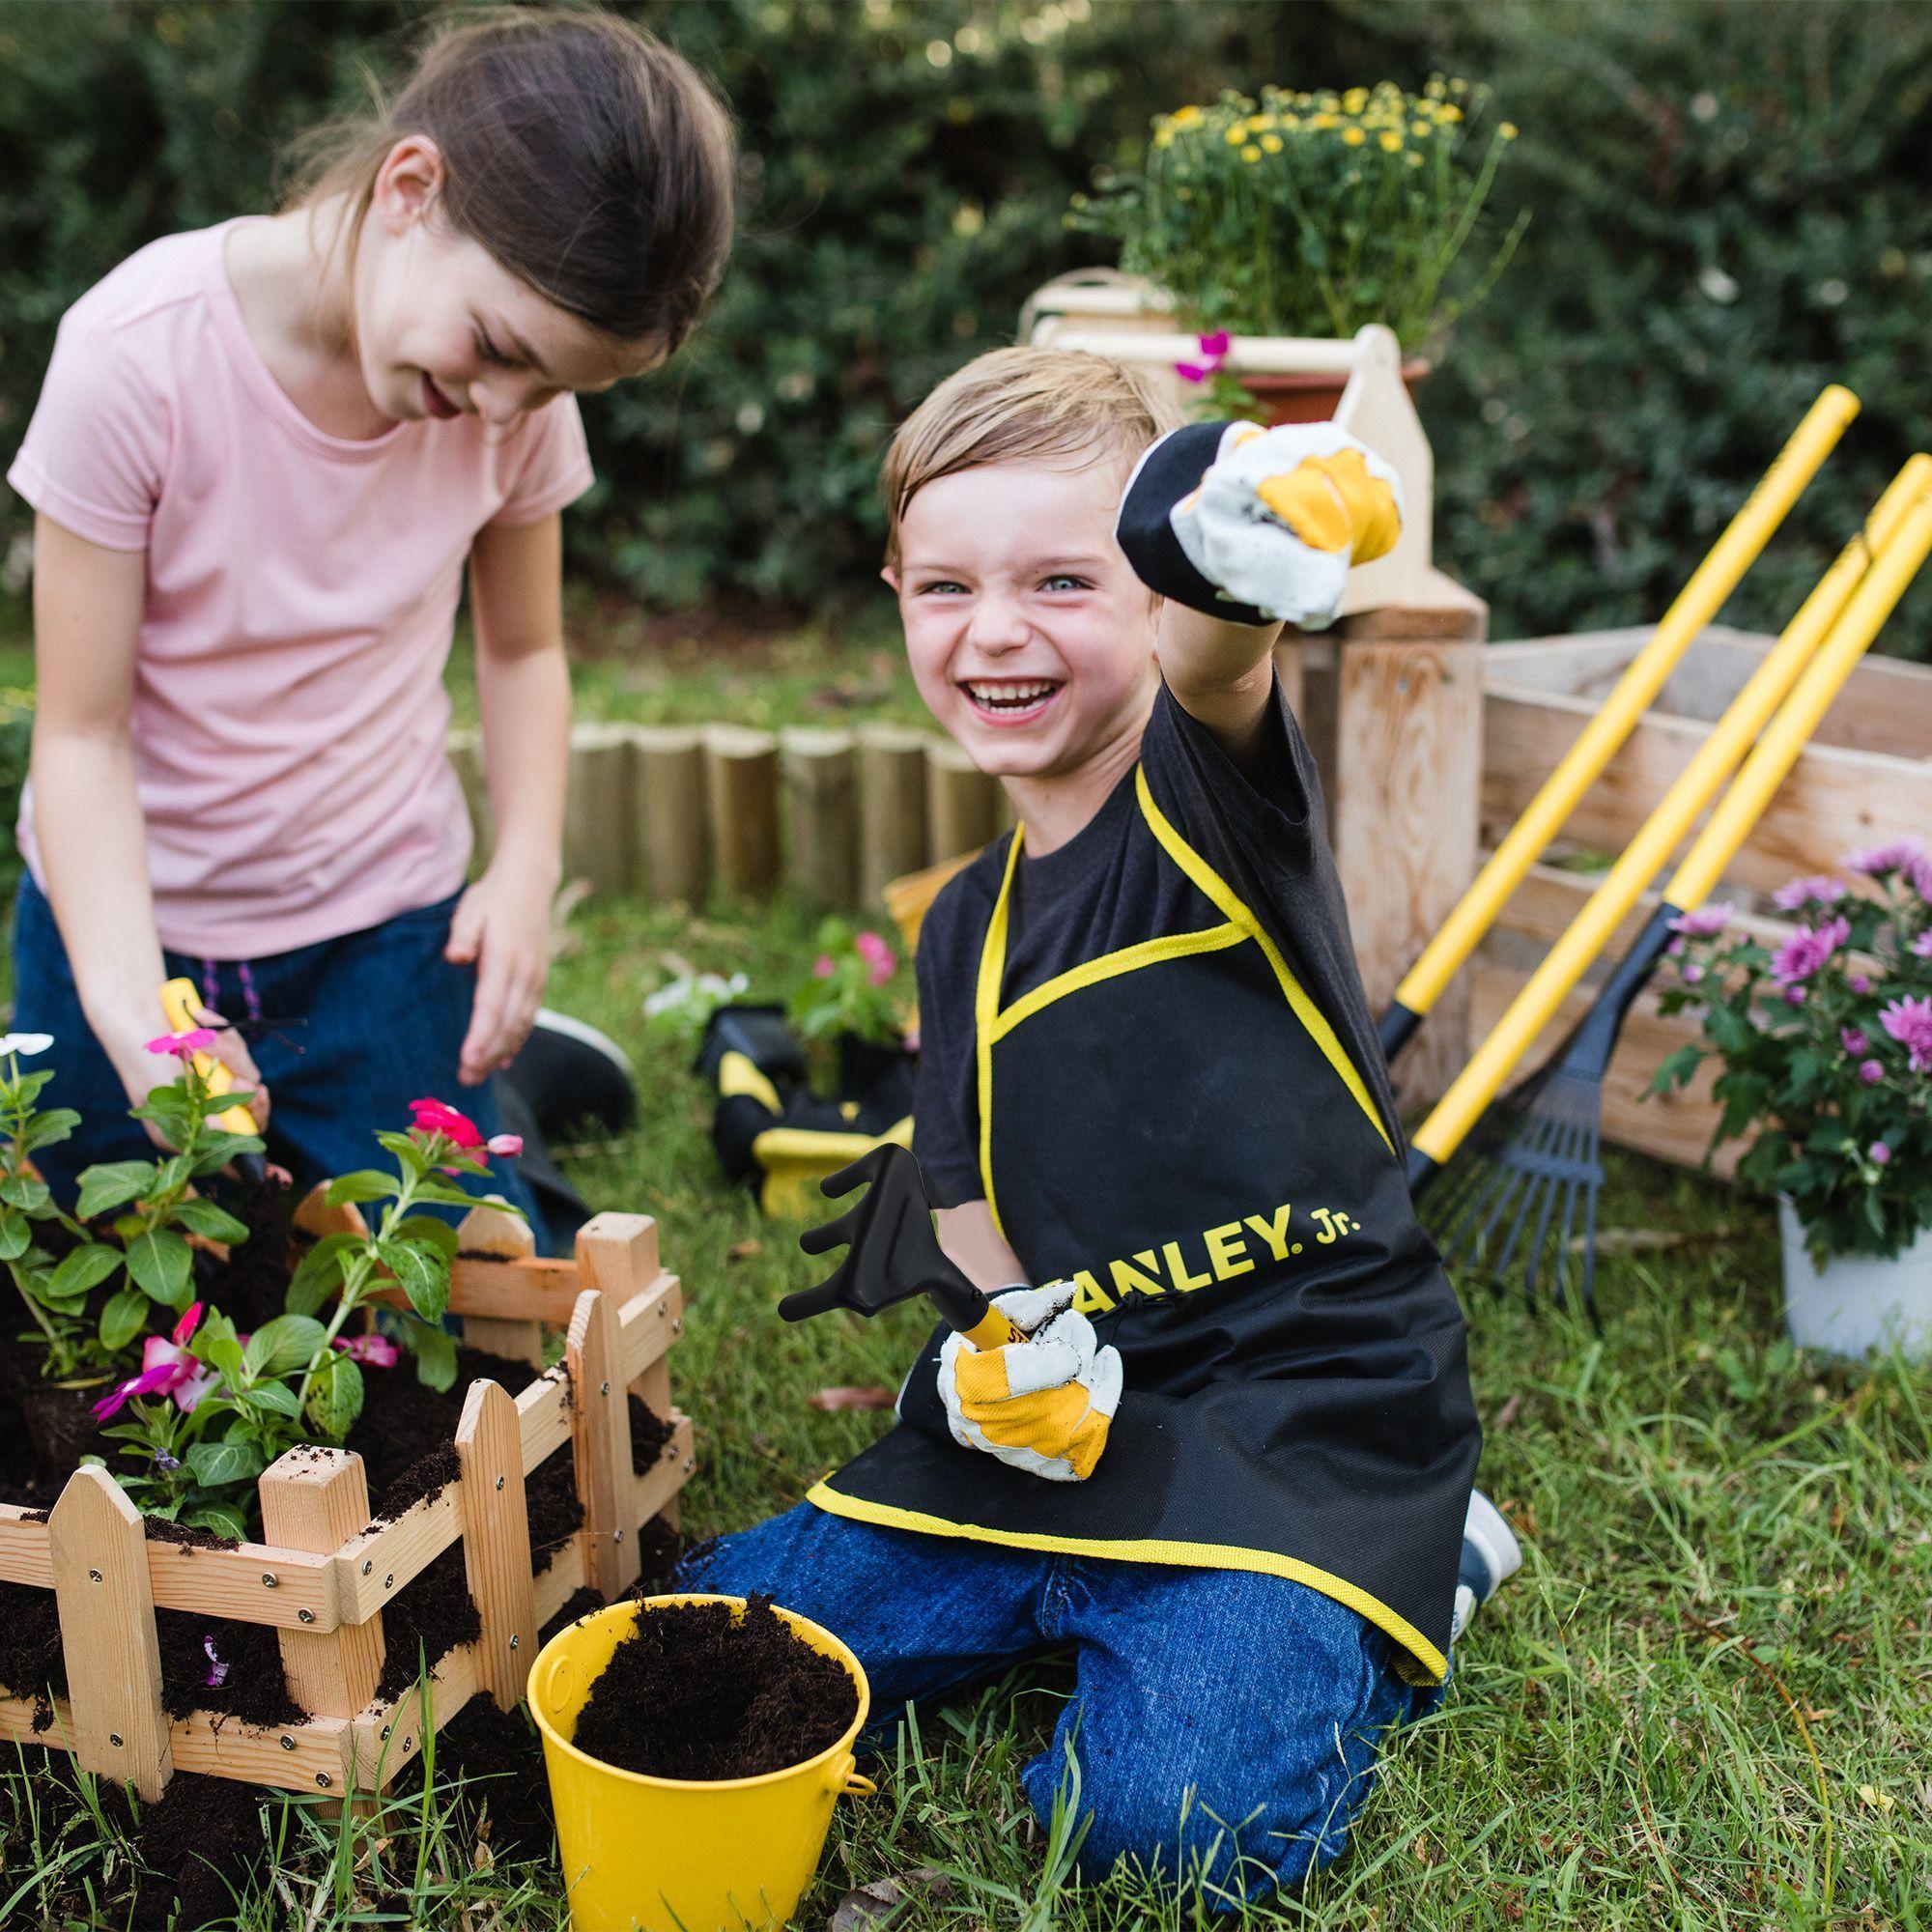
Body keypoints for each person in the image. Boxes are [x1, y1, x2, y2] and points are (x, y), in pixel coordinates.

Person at [682, 348, 1519, 1903]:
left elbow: (1223, 655)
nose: (995, 630)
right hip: (1097, 1423)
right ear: (894, 592)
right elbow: (961, 1201)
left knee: (1170, 1831)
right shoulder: (964, 931)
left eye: (1066, 579)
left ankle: (1418, 1563)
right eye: (945, 588)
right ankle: (1094, 1592)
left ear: (1144, 594)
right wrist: (1003, 1351)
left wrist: (1228, 555)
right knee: (713, 1633)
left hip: (1299, 1419)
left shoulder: (1209, 796)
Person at [5, 9, 732, 1244]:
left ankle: (482, 1080)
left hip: (377, 925)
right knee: (85, 1272)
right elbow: (80, 737)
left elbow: (523, 649)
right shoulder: (134, 357)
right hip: (130, 926)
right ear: (411, 187)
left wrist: (523, 866)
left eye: (552, 387)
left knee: (462, 1267)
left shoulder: (510, 407)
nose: (504, 409)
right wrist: (139, 1015)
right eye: (499, 349)